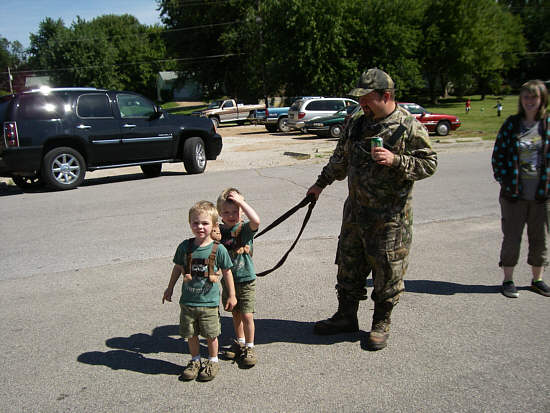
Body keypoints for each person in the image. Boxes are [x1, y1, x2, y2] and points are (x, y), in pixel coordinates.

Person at [306, 68, 437, 350]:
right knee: (348, 267)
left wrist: (396, 160)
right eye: (360, 99)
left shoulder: (408, 126)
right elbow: (340, 157)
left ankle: (381, 323)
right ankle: (345, 317)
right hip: (355, 212)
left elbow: (429, 164)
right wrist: (320, 183)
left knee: (387, 273)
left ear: (385, 96)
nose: (362, 104)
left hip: (389, 219)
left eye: (367, 99)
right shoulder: (357, 122)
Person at [162, 201, 237, 381]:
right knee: (191, 334)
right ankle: (195, 360)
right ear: (190, 224)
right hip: (188, 302)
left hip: (208, 303)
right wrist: (169, 288)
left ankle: (213, 361)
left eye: (205, 223)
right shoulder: (184, 247)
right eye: (195, 223)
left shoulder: (218, 250)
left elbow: (227, 272)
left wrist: (232, 295)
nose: (200, 227)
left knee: (211, 334)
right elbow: (178, 268)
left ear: (213, 225)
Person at [492, 80, 550, 298]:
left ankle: (538, 279)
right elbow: (498, 155)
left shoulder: (547, 125)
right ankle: (508, 280)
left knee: (540, 239)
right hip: (513, 195)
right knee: (511, 238)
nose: (530, 101)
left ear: (542, 99)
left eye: (534, 97)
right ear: (521, 100)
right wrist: (504, 181)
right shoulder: (511, 124)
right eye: (526, 97)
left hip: (542, 195)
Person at [216, 188, 260, 367]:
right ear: (220, 214)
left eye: (235, 211)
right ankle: (240, 341)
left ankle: (250, 347)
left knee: (247, 315)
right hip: (229, 281)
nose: (231, 215)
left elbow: (256, 221)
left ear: (241, 211)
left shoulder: (244, 229)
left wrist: (241, 202)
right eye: (226, 212)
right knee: (235, 313)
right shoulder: (217, 232)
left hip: (246, 279)